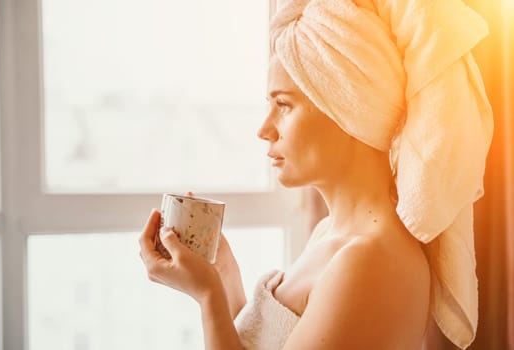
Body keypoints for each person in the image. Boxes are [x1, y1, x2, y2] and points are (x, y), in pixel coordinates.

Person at [139, 0, 493, 349]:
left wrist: (208, 296)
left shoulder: (371, 260)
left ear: (347, 108)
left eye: (284, 105)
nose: (264, 128)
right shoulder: (332, 234)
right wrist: (224, 276)